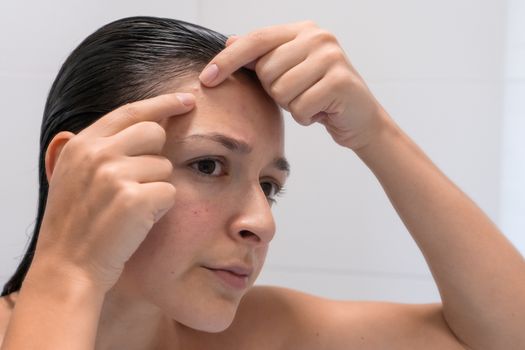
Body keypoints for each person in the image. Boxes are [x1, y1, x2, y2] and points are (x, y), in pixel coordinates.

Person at [0, 16, 523, 350]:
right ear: (74, 167)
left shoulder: (264, 334)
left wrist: (376, 135)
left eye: (269, 186)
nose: (262, 222)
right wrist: (70, 270)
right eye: (208, 165)